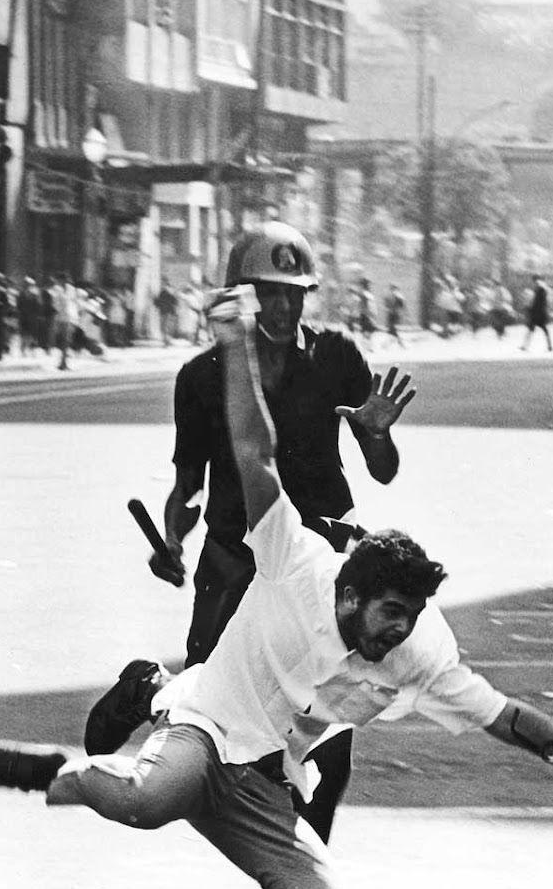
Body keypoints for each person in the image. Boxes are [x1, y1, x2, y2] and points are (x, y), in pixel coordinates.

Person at [0, 282, 553, 889]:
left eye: (411, 618)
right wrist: (234, 342)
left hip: (267, 774)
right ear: (350, 593)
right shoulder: (296, 561)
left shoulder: (418, 650)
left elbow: (502, 715)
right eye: (390, 613)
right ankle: (50, 769)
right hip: (207, 729)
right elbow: (252, 450)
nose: (399, 632)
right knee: (149, 800)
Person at [86, 221, 413, 844]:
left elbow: (384, 471)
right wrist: (174, 539)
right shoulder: (205, 376)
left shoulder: (338, 357)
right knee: (205, 711)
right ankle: (146, 687)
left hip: (321, 561)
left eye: (296, 293)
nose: (286, 307)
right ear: (242, 295)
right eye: (270, 292)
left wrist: (377, 433)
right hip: (238, 553)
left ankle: (304, 876)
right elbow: (188, 483)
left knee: (330, 737)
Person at [519, 274, 553, 352]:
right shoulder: (542, 289)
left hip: (537, 314)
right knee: (544, 330)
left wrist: (530, 308)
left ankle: (525, 346)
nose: (533, 283)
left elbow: (537, 303)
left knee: (531, 330)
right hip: (541, 314)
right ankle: (549, 346)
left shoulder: (539, 289)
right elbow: (542, 302)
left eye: (533, 281)